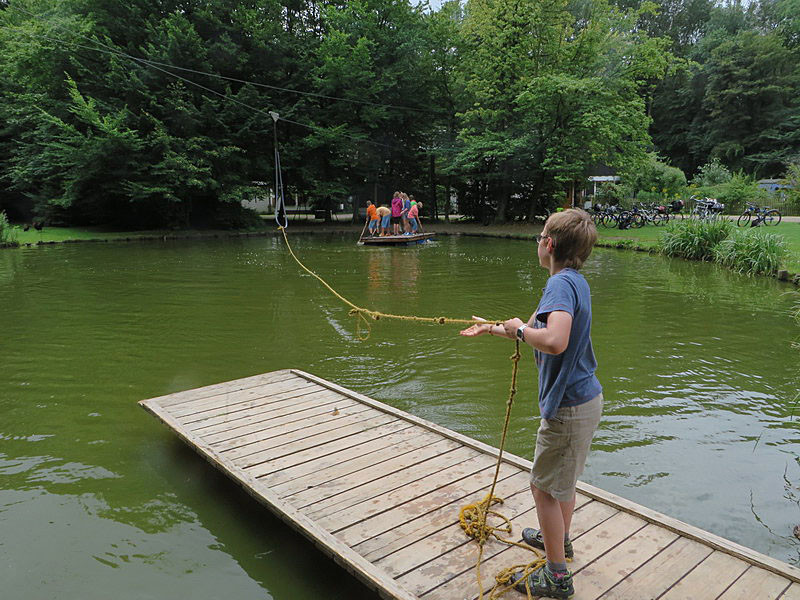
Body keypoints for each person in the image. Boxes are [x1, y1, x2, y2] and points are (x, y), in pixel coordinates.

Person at [459, 209, 603, 599]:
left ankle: (557, 576)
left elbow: (553, 340)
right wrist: (497, 328)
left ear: (549, 244)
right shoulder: (575, 282)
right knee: (562, 484)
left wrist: (521, 330)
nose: (538, 241)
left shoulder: (559, 286)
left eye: (540, 235)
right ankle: (559, 540)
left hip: (569, 406)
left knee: (542, 488)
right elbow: (539, 331)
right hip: (586, 399)